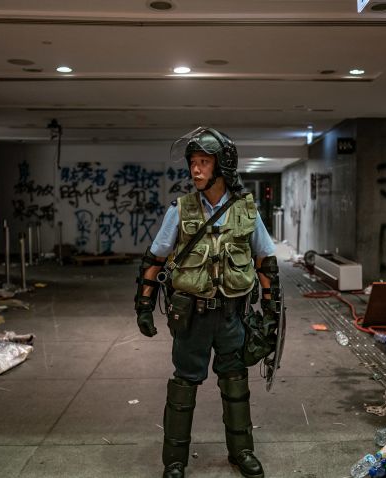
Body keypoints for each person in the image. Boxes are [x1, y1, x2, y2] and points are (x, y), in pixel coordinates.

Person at [134, 127, 281, 478]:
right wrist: (143, 305)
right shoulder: (180, 209)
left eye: (203, 162)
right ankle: (174, 461)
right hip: (192, 319)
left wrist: (272, 313)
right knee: (183, 387)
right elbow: (154, 261)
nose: (195, 170)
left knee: (235, 384)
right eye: (193, 163)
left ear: (222, 167)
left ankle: (242, 452)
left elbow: (266, 264)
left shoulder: (246, 210)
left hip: (233, 317)